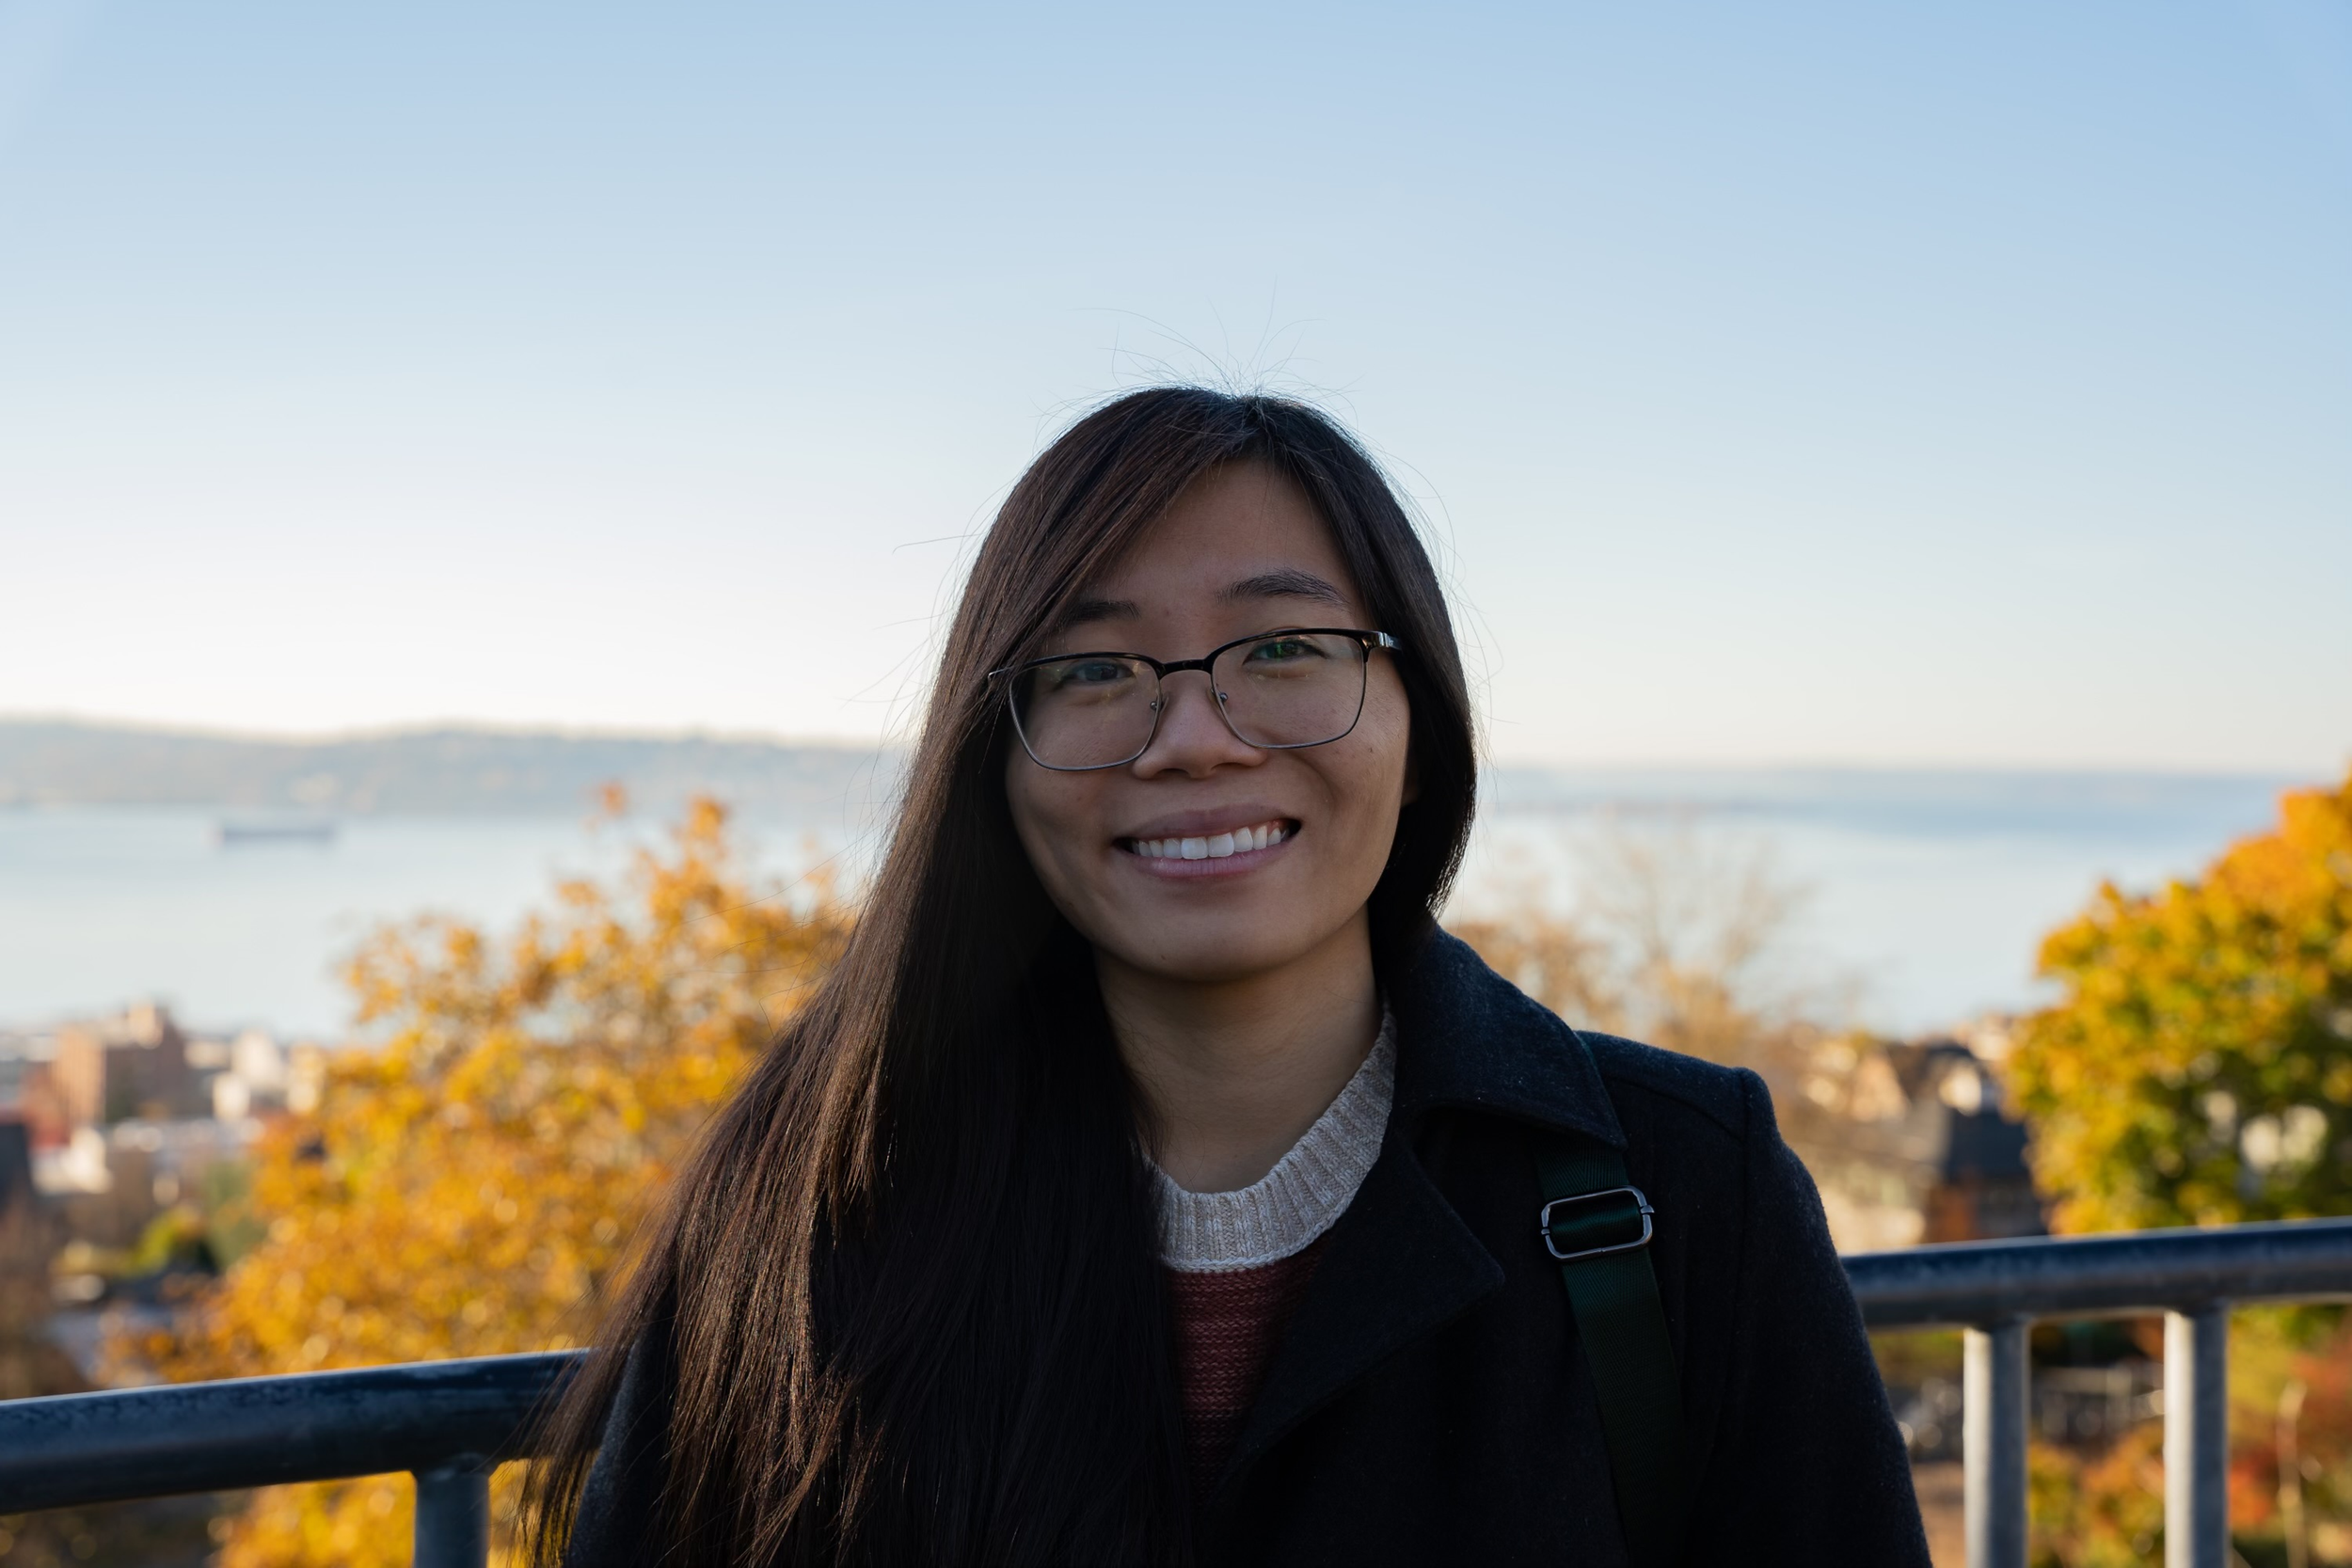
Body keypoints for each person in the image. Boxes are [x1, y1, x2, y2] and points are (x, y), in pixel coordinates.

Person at [529, 388, 1931, 1566]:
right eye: (1092, 670)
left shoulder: (1680, 1194)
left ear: (1418, 719)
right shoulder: (816, 1196)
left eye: (1282, 650)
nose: (1192, 736)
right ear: (995, 763)